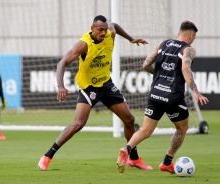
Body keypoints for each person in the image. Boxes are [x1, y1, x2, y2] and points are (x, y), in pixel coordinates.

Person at [38, 15, 152, 171]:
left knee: (129, 119)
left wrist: (130, 39)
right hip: (89, 87)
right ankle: (47, 156)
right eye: (100, 30)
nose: (103, 33)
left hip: (106, 84)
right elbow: (62, 62)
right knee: (78, 124)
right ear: (92, 28)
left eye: (104, 30)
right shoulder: (84, 45)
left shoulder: (110, 32)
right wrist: (60, 86)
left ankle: (133, 158)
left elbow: (114, 25)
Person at [116, 21, 209, 174]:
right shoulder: (189, 49)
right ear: (191, 35)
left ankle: (126, 148)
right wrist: (196, 92)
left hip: (155, 94)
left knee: (145, 130)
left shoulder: (163, 44)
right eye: (194, 37)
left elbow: (145, 64)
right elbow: (185, 67)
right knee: (182, 128)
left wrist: (160, 75)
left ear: (179, 32)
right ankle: (166, 162)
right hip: (173, 96)